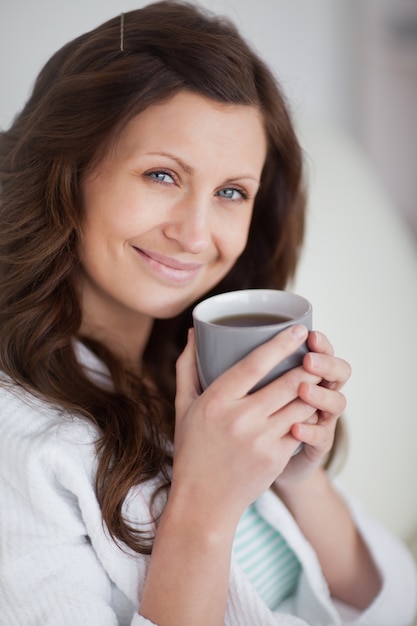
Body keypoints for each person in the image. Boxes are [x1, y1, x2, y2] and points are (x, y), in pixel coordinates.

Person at [0, 2, 415, 625]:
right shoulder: (22, 442)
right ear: (68, 172)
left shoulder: (190, 368)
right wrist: (203, 509)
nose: (196, 235)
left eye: (230, 192)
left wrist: (299, 477)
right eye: (162, 174)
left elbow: (394, 603)